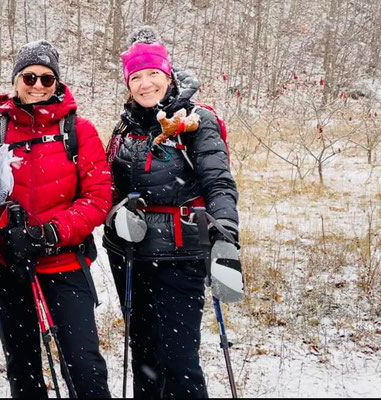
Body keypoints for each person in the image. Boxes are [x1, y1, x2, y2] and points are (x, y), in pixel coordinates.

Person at [103, 26, 241, 399]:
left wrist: (225, 229)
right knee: (144, 353)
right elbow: (108, 188)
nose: (146, 84)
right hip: (130, 256)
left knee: (178, 360)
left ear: (168, 74)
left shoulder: (195, 122)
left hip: (181, 253)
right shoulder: (124, 126)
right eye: (136, 77)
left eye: (153, 74)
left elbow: (219, 181)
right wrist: (115, 215)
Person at [0, 40, 113, 398]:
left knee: (84, 370)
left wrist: (49, 233)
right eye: (29, 77)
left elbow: (99, 198)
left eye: (47, 79)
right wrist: (2, 239)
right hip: (12, 270)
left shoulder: (78, 130)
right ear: (16, 80)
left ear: (57, 83)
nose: (38, 85)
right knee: (23, 373)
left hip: (65, 265)